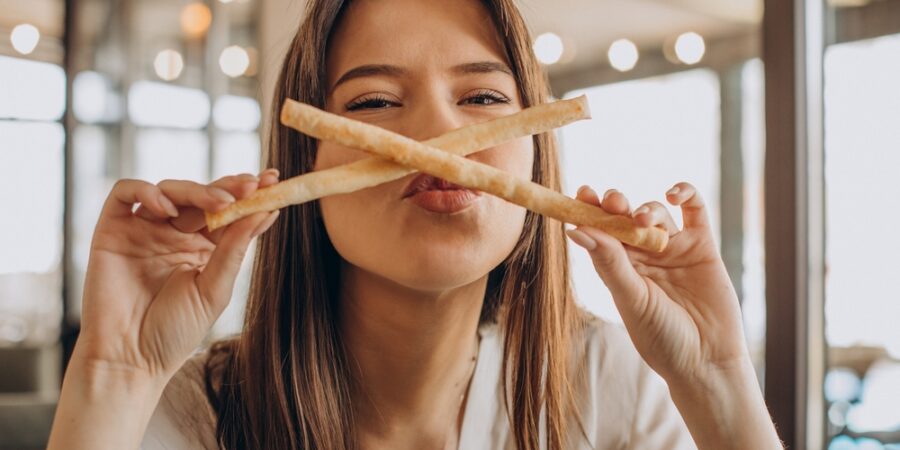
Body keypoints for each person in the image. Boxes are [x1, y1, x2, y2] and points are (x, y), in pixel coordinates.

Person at [47, 0, 783, 448]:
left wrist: (716, 381)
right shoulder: (201, 412)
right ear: (302, 164)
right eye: (371, 104)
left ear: (536, 154)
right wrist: (113, 374)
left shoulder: (610, 383)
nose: (434, 134)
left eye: (486, 99)